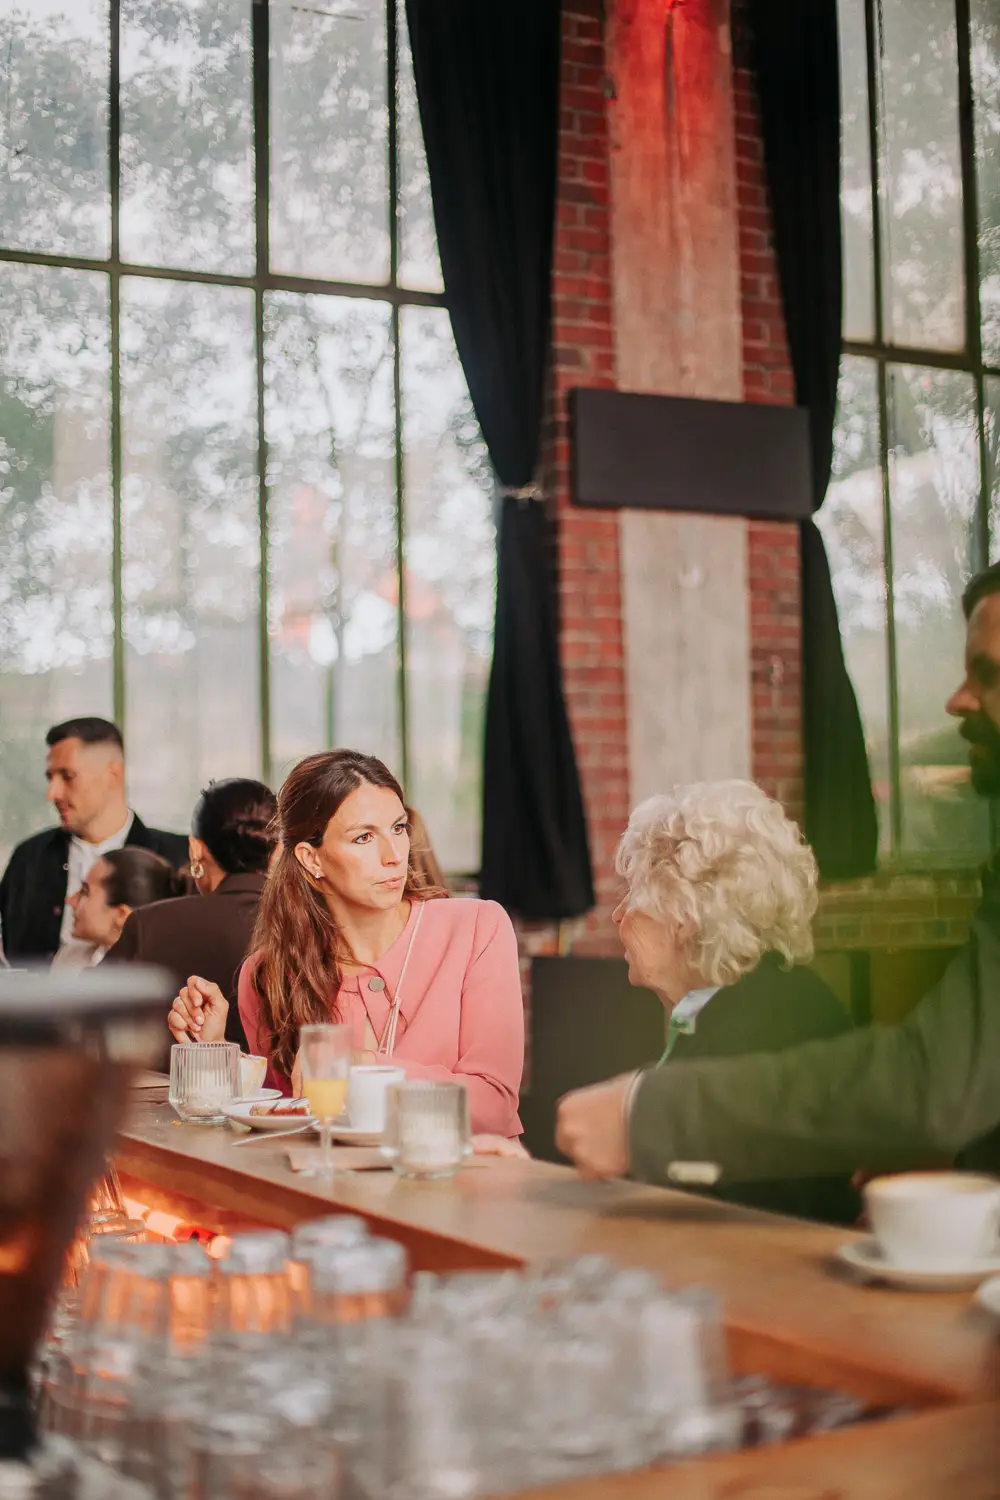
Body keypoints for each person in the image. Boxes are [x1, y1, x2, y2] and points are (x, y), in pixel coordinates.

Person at [555, 561, 1000, 1186]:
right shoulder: (703, 1012)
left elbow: (936, 1086)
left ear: (689, 915)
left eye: (988, 673)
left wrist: (641, 1117)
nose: (956, 699)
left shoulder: (776, 1016)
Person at [167, 750, 524, 1136]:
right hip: (337, 1191)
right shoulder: (267, 973)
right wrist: (213, 1051)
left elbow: (493, 1105)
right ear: (310, 859)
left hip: (464, 1184)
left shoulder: (476, 928)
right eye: (364, 837)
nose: (394, 856)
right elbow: (288, 1120)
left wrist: (366, 1069)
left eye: (399, 828)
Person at [611, 782, 858, 1222]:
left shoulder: (763, 1023)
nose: (617, 915)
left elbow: (712, 1204)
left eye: (632, 895)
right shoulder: (750, 1000)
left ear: (682, 916)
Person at [105, 778, 277, 1050]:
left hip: (167, 1089)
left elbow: (84, 1014)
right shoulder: (307, 923)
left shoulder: (147, 924)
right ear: (277, 850)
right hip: (290, 1091)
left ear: (195, 849)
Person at [0, 718, 188, 965]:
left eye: (67, 776)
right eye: (50, 778)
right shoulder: (29, 859)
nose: (52, 793)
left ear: (113, 774)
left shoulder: (177, 858)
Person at [56, 847, 183, 969]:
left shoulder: (159, 979)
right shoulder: (70, 959)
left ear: (123, 915)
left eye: (85, 892)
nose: (70, 900)